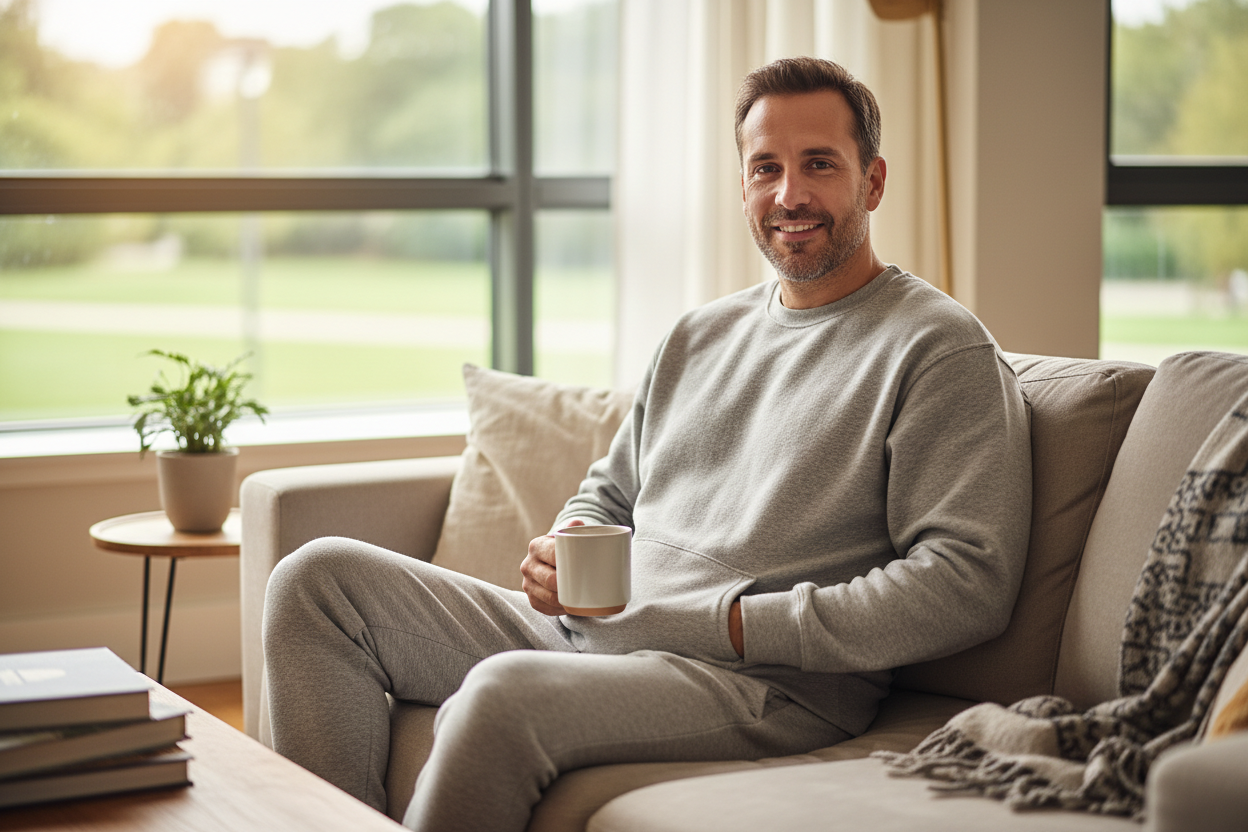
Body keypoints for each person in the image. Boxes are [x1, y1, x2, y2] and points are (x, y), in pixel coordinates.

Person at [262, 56, 1032, 832]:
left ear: (872, 182)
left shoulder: (938, 348)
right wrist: (566, 545)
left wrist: (740, 623)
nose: (789, 194)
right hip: (599, 628)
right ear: (742, 187)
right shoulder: (700, 334)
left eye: (819, 165)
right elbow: (608, 492)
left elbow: (966, 583)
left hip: (754, 678)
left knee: (501, 696)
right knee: (318, 581)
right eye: (765, 167)